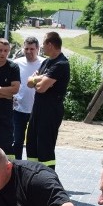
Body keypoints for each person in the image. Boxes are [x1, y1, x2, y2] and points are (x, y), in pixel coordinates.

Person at [25, 32, 70, 169]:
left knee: (45, 147)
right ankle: (33, 177)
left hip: (51, 110)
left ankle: (47, 180)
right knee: (31, 144)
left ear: (50, 44)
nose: (42, 47)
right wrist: (39, 79)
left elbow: (41, 88)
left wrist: (37, 80)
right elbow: (29, 82)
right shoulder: (46, 62)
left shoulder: (61, 64)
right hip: (38, 108)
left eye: (43, 44)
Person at [11, 36, 43, 160]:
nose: (29, 51)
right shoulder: (17, 63)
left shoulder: (44, 63)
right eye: (26, 49)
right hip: (18, 109)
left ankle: (32, 167)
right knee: (16, 141)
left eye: (32, 49)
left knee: (34, 142)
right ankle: (16, 166)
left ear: (38, 49)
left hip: (37, 109)